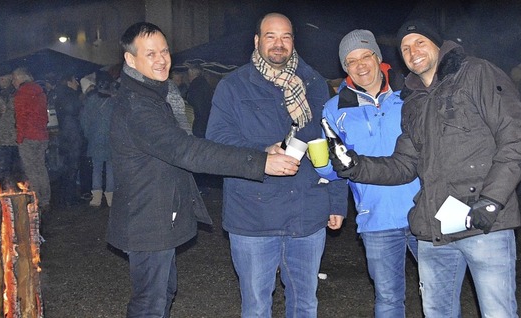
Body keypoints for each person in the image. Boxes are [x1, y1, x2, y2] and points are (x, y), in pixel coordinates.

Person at [330, 19, 521, 317]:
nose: (412, 51)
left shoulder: (476, 73)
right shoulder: (413, 102)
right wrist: (355, 166)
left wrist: (492, 201)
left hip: (483, 224)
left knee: (498, 313)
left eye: (419, 42)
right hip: (434, 230)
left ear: (437, 44)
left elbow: (517, 137)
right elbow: (404, 164)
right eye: (405, 48)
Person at [107, 22, 300, 318]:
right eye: (150, 54)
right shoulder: (139, 106)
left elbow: (187, 147)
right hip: (146, 221)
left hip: (155, 217)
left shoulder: (157, 95)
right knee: (150, 304)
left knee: (162, 295)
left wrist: (260, 151)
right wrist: (260, 162)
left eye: (164, 51)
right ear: (131, 60)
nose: (161, 59)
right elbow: (187, 151)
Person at [206, 13, 347, 317]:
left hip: (307, 213)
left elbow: (336, 144)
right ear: (257, 41)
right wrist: (262, 154)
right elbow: (216, 143)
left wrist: (336, 201)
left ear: (293, 41)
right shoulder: (233, 86)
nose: (278, 44)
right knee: (256, 306)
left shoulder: (315, 84)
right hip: (254, 216)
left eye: (285, 36)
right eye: (270, 36)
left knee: (305, 303)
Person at [315, 29, 421, 317]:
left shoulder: (410, 95)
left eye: (365, 56)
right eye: (351, 61)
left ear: (378, 57)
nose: (360, 66)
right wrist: (320, 163)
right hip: (377, 220)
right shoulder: (334, 109)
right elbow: (334, 169)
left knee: (439, 297)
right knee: (388, 301)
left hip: (425, 212)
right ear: (344, 68)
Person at [13, 67, 51, 211]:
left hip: (29, 136)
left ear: (20, 78)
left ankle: (37, 199)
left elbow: (21, 117)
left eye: (14, 79)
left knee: (31, 169)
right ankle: (46, 199)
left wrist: (20, 137)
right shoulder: (40, 92)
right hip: (41, 135)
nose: (13, 82)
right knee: (41, 167)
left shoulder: (21, 94)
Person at [80, 71, 115, 207]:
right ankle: (111, 197)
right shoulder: (114, 102)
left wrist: (90, 135)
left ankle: (96, 198)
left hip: (95, 139)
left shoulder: (90, 101)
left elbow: (84, 122)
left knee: (96, 168)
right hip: (111, 139)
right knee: (111, 168)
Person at [53, 73, 84, 207]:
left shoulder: (60, 95)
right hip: (72, 135)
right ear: (68, 82)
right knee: (72, 167)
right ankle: (69, 199)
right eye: (75, 80)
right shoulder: (70, 96)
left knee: (66, 167)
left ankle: (65, 198)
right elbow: (74, 112)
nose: (77, 84)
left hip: (65, 135)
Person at [0, 64, 21, 190]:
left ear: (9, 78)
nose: (1, 81)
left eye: (4, 78)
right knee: (4, 169)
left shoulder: (17, 93)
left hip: (17, 137)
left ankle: (20, 193)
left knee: (18, 168)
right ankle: (7, 193)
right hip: (1, 138)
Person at [185, 61, 214, 138]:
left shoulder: (195, 86)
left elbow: (197, 107)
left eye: (188, 74)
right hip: (208, 123)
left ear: (191, 73)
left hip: (199, 125)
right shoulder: (205, 84)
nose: (188, 77)